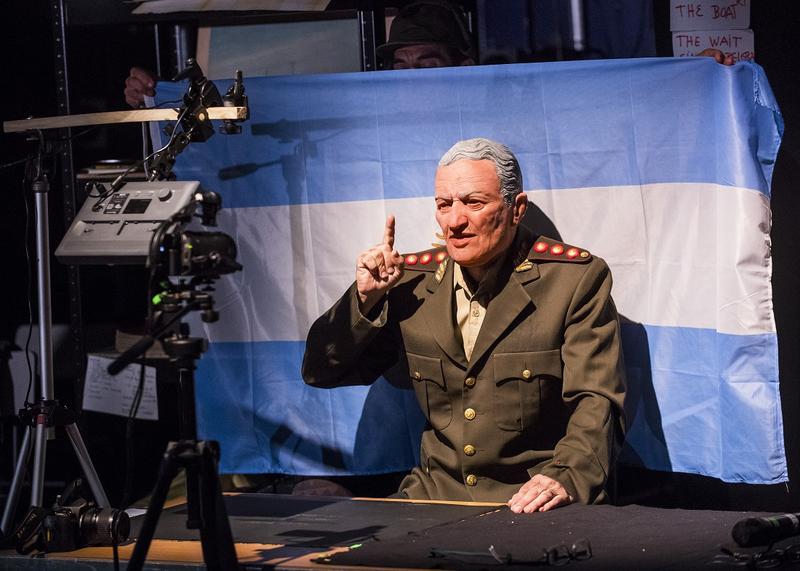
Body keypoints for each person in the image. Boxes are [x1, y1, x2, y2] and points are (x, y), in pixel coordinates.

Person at [302, 138, 626, 513]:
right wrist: (364, 300)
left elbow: (597, 400)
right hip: (433, 497)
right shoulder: (410, 282)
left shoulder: (573, 282)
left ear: (516, 209)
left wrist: (567, 476)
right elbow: (321, 372)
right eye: (443, 205)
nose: (454, 221)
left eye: (474, 202)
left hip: (531, 501)